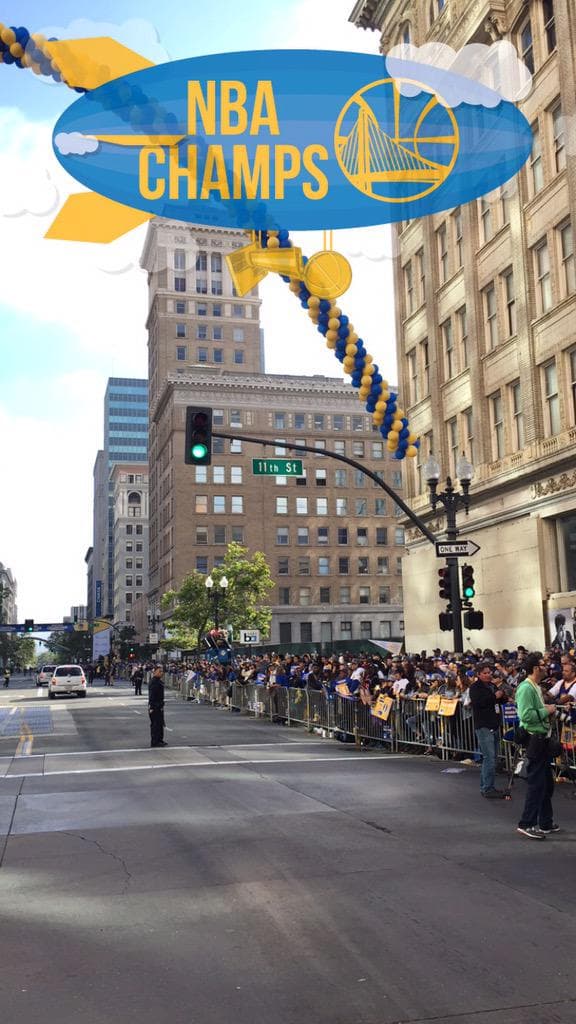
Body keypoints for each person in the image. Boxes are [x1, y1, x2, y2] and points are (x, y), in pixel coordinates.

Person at [515, 652, 559, 840]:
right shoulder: (526, 688)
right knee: (536, 783)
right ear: (535, 668)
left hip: (542, 738)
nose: (546, 666)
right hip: (534, 739)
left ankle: (545, 822)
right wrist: (546, 710)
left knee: (546, 783)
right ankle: (527, 823)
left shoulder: (536, 687)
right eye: (543, 664)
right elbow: (526, 716)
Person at [470, 662, 506, 798]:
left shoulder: (492, 685)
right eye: (485, 673)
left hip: (494, 724)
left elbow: (498, 701)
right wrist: (494, 697)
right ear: (478, 674)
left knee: (492, 758)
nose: (488, 675)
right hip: (483, 725)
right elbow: (479, 703)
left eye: (489, 672)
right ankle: (488, 788)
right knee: (489, 758)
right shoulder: (475, 688)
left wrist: (503, 697)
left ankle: (485, 786)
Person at [148, 665, 167, 747]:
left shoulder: (158, 681)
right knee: (155, 724)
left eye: (162, 671)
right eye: (159, 671)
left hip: (159, 705)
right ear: (154, 672)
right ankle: (155, 741)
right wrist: (151, 707)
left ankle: (160, 739)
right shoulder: (154, 682)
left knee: (160, 723)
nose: (161, 673)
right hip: (155, 705)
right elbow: (152, 695)